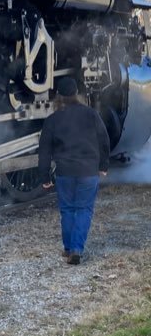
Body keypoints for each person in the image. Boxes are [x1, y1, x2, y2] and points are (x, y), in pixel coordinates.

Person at [38, 77, 110, 265]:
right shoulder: (91, 114)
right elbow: (104, 140)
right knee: (84, 209)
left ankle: (69, 248)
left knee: (67, 210)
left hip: (65, 171)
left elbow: (44, 149)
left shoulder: (52, 119)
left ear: (59, 96)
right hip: (88, 171)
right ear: (76, 93)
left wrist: (44, 176)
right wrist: (103, 165)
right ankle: (76, 249)